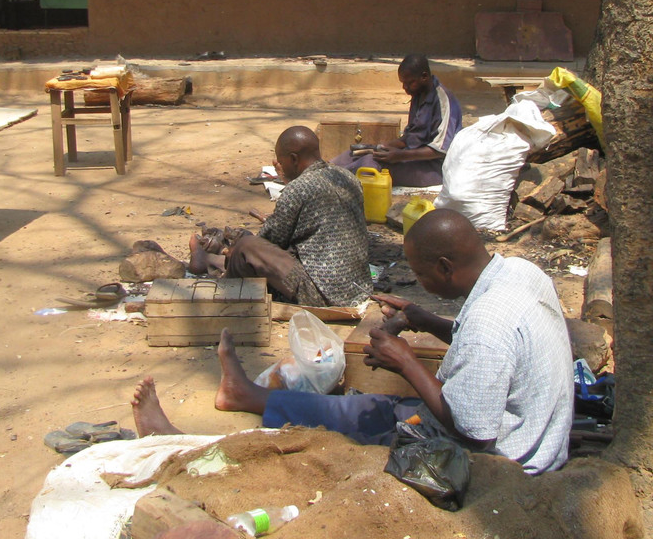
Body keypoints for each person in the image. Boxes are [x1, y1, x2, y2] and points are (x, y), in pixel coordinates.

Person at [137, 208, 573, 475]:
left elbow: (474, 432)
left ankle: (182, 447)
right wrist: (425, 320)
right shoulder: (518, 273)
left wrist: (407, 363)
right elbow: (490, 351)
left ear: (445, 266)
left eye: (421, 276)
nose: (419, 283)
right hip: (526, 434)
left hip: (500, 463)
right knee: (356, 408)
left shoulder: (487, 326)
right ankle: (244, 395)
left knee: (322, 449)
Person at [188, 126, 371, 308]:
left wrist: (244, 242)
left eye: (281, 161)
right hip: (358, 290)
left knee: (248, 247)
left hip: (321, 295)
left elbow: (270, 241)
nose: (279, 166)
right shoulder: (348, 178)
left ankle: (222, 291)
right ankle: (213, 261)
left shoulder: (299, 188)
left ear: (293, 159)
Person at [332, 54, 462, 187]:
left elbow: (440, 150)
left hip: (434, 167)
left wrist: (400, 156)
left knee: (370, 163)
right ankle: (325, 172)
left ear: (424, 77)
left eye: (409, 82)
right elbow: (410, 138)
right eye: (403, 83)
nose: (405, 87)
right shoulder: (418, 94)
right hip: (411, 157)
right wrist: (382, 147)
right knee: (354, 154)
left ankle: (331, 183)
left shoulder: (443, 101)